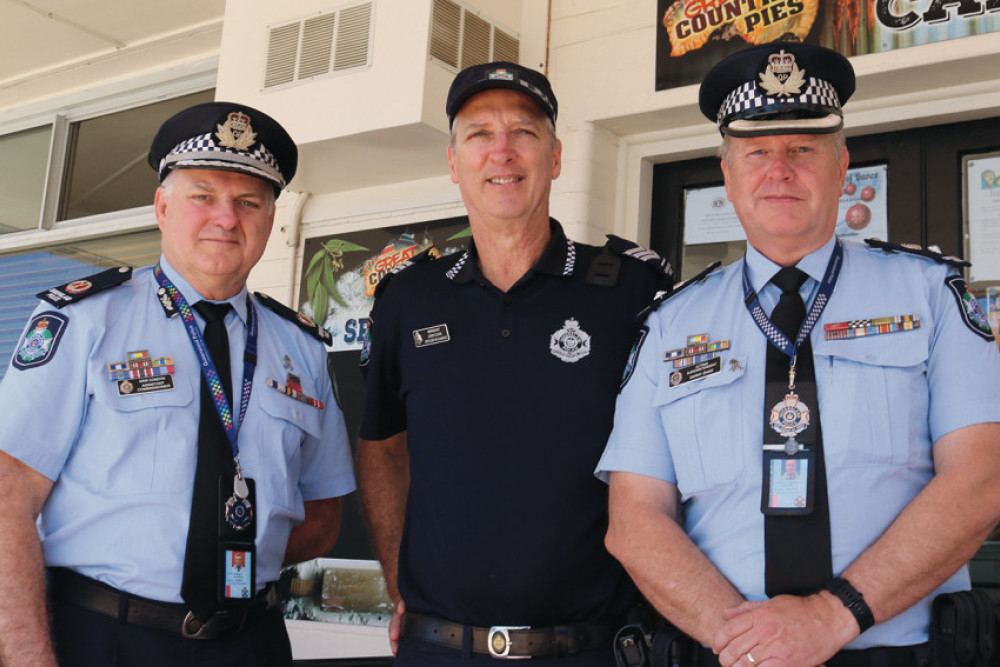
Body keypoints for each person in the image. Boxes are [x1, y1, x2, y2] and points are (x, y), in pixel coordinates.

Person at [597, 42, 1000, 667]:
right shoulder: (670, 325)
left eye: (803, 149)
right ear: (727, 176)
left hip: (903, 652)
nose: (779, 169)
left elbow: (981, 479)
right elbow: (634, 519)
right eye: (757, 151)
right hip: (729, 655)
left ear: (843, 168)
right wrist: (755, 646)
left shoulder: (929, 295)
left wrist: (831, 617)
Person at [0, 102, 356, 667]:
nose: (226, 218)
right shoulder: (87, 321)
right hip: (103, 638)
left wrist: (225, 558)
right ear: (162, 206)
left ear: (270, 219)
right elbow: (7, 500)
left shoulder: (302, 349)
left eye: (248, 202)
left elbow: (323, 517)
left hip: (252, 642)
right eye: (203, 196)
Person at [357, 61, 673, 665]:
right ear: (454, 163)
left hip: (593, 648)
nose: (502, 151)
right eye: (479, 134)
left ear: (554, 157)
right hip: (439, 648)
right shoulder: (408, 298)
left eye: (523, 132)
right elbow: (383, 448)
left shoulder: (629, 289)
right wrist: (402, 588)